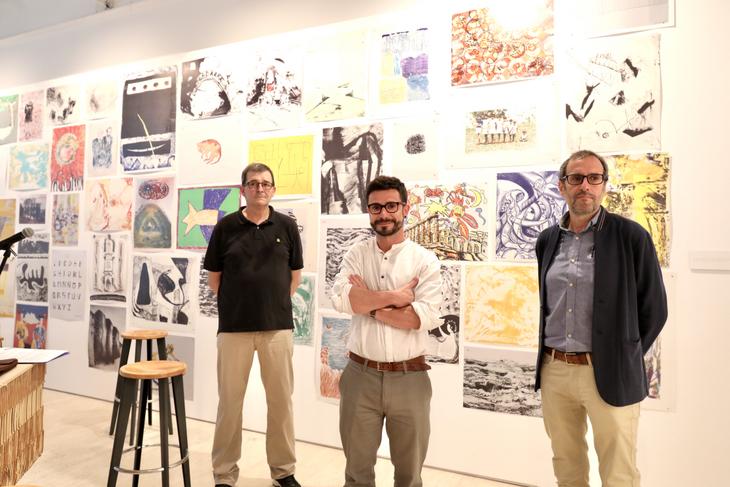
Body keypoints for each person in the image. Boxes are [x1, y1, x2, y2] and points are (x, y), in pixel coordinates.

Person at [534, 150, 667, 486]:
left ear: (604, 185)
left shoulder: (631, 236)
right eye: (576, 178)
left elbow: (654, 309)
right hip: (555, 370)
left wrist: (623, 353)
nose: (585, 185)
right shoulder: (547, 240)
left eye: (594, 178)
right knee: (566, 465)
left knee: (618, 471)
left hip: (608, 370)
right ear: (562, 185)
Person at [330, 175, 442, 487]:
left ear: (405, 208)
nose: (384, 214)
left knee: (409, 476)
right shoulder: (356, 255)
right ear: (368, 211)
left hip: (410, 379)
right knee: (357, 474)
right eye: (376, 207)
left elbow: (421, 317)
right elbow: (342, 300)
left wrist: (369, 304)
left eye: (391, 206)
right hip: (359, 376)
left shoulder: (424, 261)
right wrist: (396, 297)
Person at [204, 162, 303, 487]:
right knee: (230, 404)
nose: (260, 188)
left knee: (281, 403)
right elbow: (214, 280)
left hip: (278, 328)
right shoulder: (225, 227)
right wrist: (242, 304)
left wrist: (270, 304)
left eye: (265, 183)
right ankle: (224, 473)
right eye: (253, 183)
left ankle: (283, 472)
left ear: (273, 189)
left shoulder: (287, 226)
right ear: (243, 189)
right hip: (234, 329)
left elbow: (294, 277)